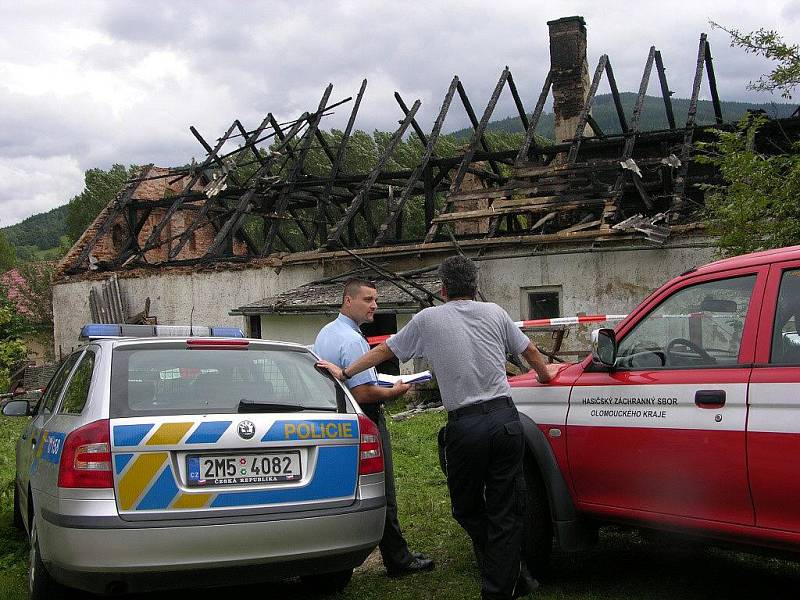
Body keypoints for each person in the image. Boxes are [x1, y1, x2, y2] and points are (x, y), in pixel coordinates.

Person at [317, 257, 559, 600]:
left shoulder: (428, 319)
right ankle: (514, 574)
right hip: (507, 422)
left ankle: (498, 589)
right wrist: (546, 374)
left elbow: (385, 349)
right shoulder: (495, 312)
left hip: (467, 426)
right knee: (505, 510)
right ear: (474, 286)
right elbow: (530, 350)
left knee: (467, 508)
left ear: (442, 288)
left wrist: (345, 371)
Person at [313, 278, 435, 577]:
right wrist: (398, 389)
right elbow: (364, 392)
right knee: (383, 489)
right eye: (368, 299)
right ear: (348, 301)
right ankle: (398, 559)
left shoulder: (326, 332)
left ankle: (339, 558)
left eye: (375, 300)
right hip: (365, 417)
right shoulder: (353, 340)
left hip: (335, 418)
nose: (374, 306)